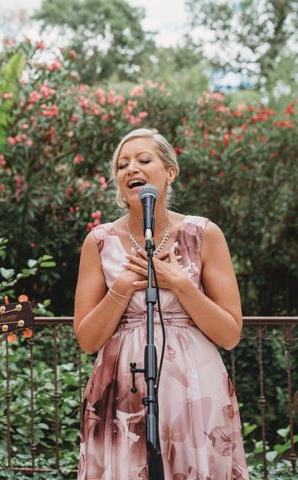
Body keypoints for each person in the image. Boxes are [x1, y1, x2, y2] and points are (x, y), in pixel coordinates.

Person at [73, 128, 249, 479]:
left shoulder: (204, 235)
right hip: (122, 392)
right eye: (123, 165)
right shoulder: (99, 242)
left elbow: (230, 334)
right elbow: (88, 339)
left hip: (196, 391)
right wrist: (121, 289)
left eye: (143, 160)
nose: (131, 169)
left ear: (169, 172)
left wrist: (180, 284)